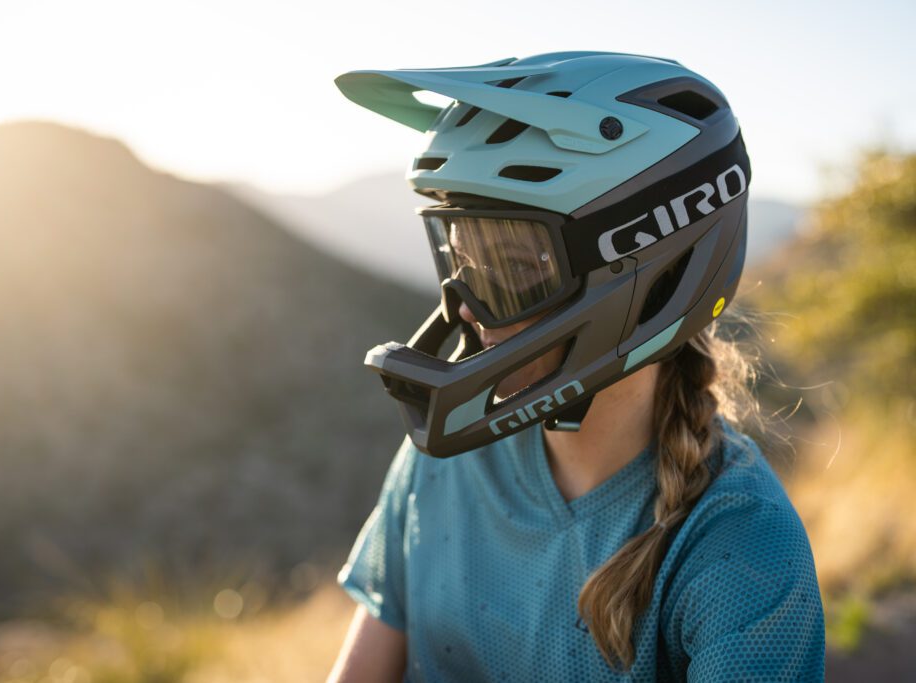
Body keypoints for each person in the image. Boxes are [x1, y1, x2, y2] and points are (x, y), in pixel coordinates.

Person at [327, 52, 825, 681]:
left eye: (512, 268)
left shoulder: (742, 546)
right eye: (460, 259)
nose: (469, 308)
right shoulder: (443, 463)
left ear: (643, 269)